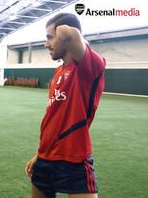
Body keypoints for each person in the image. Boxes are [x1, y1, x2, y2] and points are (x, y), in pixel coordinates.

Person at [25, 13, 106, 198]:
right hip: (45, 158)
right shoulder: (59, 71)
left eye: (49, 37)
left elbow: (67, 32)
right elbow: (55, 117)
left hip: (74, 159)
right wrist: (40, 154)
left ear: (63, 38)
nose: (46, 44)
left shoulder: (90, 66)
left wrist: (63, 28)